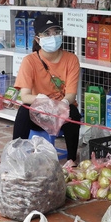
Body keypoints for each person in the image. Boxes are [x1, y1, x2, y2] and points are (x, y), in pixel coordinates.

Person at [12, 14, 82, 161]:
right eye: (47, 33)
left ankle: (72, 161)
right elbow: (24, 96)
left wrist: (62, 103)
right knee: (24, 111)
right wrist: (40, 99)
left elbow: (71, 94)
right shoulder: (29, 61)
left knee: (74, 114)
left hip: (60, 111)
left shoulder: (71, 60)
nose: (53, 36)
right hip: (39, 111)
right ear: (38, 39)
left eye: (56, 32)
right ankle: (16, 156)